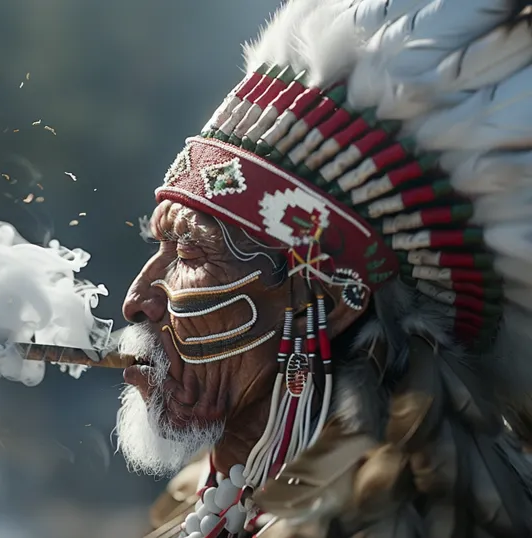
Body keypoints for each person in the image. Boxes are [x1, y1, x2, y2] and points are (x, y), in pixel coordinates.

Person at [112, 1, 532, 536]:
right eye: (162, 248)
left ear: (329, 304)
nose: (136, 299)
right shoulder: (228, 500)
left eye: (191, 254)